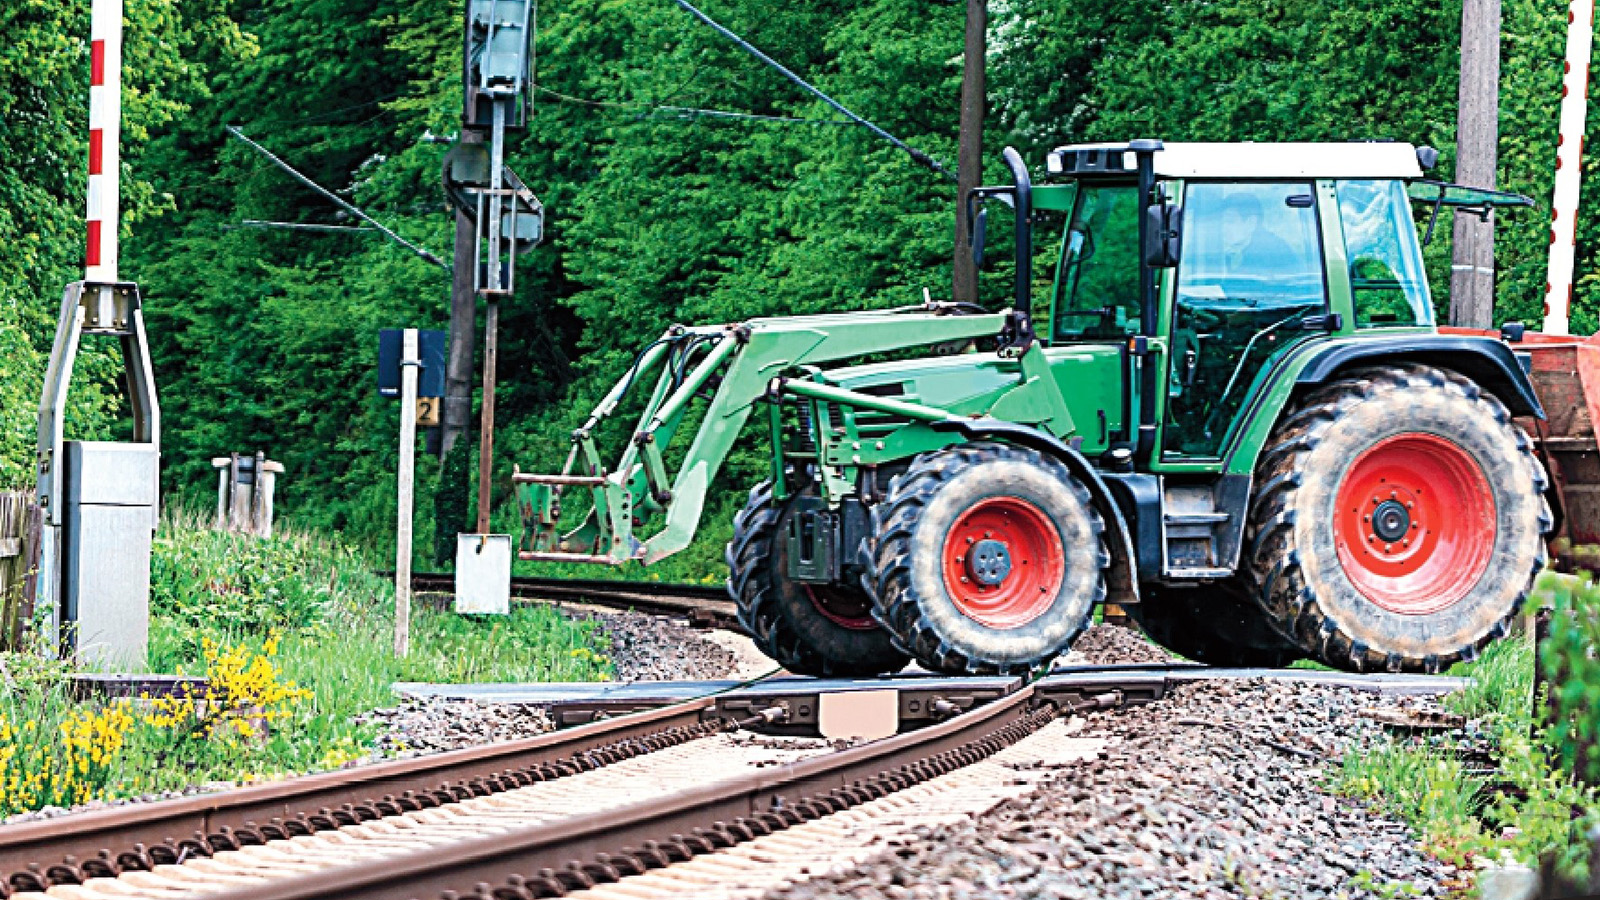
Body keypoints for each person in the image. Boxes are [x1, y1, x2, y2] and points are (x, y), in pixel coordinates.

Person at [1218, 192, 1295, 277]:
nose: (1223, 228)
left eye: (1230, 221)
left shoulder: (1276, 254)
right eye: (1221, 222)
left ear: (1251, 223)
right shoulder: (1226, 252)